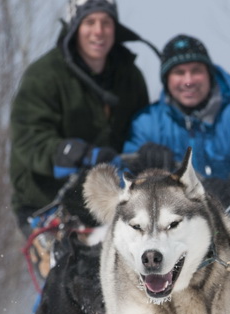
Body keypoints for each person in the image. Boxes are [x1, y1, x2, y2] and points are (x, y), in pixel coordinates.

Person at [124, 34, 230, 248]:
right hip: (169, 241)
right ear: (166, 80)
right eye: (179, 72)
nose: (188, 80)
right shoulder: (147, 124)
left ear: (209, 74)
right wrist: (143, 167)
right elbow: (122, 180)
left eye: (196, 71)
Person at [9, 0, 154, 234]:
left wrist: (148, 152)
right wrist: (79, 155)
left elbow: (143, 127)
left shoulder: (130, 75)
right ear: (75, 25)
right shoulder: (43, 75)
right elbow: (28, 140)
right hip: (47, 204)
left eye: (106, 22)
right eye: (90, 22)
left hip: (111, 203)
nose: (99, 31)